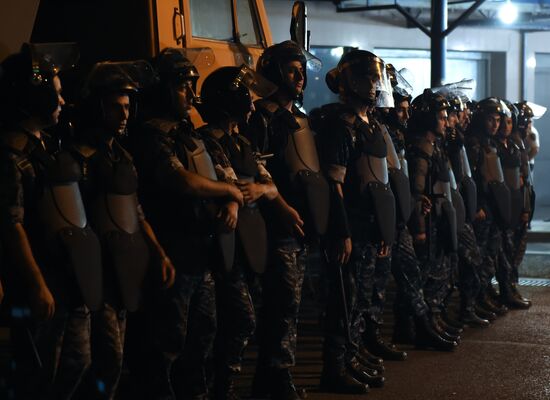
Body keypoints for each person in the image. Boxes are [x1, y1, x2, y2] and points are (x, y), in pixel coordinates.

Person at [131, 48, 243, 400]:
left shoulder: (188, 133)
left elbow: (222, 174)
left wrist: (231, 200)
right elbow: (180, 181)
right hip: (171, 253)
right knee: (167, 345)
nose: (191, 94)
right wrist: (229, 192)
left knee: (202, 339)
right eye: (183, 86)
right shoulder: (150, 135)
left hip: (200, 253)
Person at [0, 42, 101, 399]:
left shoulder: (43, 148)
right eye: (55, 94)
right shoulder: (12, 155)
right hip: (42, 283)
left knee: (76, 362)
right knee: (39, 376)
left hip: (67, 278)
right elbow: (11, 225)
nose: (62, 101)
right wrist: (36, 283)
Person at [71, 61, 176, 400]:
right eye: (116, 107)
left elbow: (136, 210)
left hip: (125, 272)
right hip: (96, 275)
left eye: (128, 106)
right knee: (103, 359)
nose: (124, 114)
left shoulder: (123, 157)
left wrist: (159, 252)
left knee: (114, 360)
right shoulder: (80, 159)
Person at [247, 40, 330, 400]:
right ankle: (274, 377)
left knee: (290, 304)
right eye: (292, 70)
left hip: (298, 225)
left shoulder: (298, 117)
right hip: (273, 224)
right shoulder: (260, 118)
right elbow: (256, 167)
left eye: (301, 70)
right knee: (280, 304)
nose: (300, 77)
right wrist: (279, 205)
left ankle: (276, 375)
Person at [196, 65, 278, 400]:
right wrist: (250, 191)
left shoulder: (241, 141)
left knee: (243, 320)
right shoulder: (207, 141)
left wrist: (258, 190)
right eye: (246, 96)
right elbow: (233, 185)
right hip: (224, 245)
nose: (252, 103)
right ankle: (222, 388)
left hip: (250, 242)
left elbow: (267, 185)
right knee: (237, 321)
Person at [406, 89, 460, 351]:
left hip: (437, 216)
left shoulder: (432, 145)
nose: (445, 120)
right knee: (427, 276)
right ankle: (423, 327)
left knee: (436, 273)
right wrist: (418, 228)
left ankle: (431, 321)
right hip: (427, 221)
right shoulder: (422, 148)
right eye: (440, 116)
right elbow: (416, 191)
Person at [444, 92, 489, 327]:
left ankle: (464, 309)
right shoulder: (450, 141)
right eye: (458, 113)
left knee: (466, 263)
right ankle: (455, 312)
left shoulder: (457, 139)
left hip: (460, 208)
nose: (464, 116)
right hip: (453, 210)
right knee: (461, 264)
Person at [465, 97, 512, 315]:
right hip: (482, 209)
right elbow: (473, 179)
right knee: (479, 258)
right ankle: (474, 302)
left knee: (489, 257)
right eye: (491, 119)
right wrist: (478, 206)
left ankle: (482, 297)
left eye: (497, 120)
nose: (495, 124)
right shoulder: (474, 143)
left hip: (493, 208)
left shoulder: (489, 142)